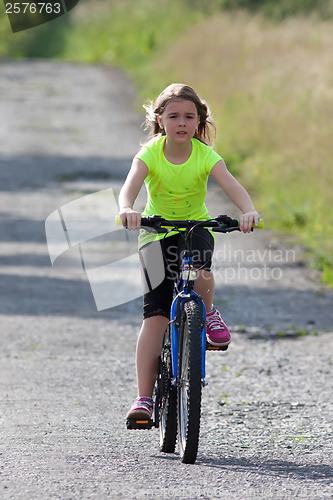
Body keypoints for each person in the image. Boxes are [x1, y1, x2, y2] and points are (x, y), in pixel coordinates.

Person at [118, 83, 260, 420]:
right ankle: (143, 399)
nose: (181, 123)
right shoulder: (150, 153)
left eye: (189, 117)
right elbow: (130, 187)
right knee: (155, 317)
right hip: (156, 232)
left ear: (199, 122)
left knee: (200, 269)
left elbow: (232, 186)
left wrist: (248, 211)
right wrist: (127, 209)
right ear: (160, 120)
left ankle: (207, 312)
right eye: (174, 116)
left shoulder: (206, 155)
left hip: (195, 227)